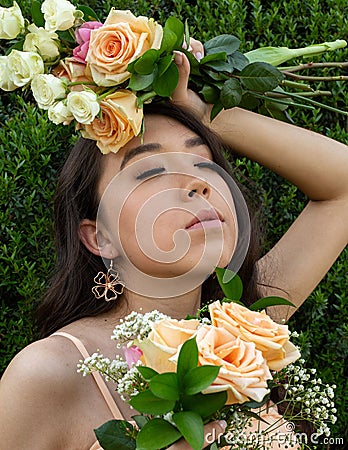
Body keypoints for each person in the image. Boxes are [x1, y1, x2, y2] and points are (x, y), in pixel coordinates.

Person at [0, 41, 347, 450]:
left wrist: (204, 113)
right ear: (100, 237)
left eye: (204, 163)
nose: (199, 183)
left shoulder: (251, 328)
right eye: (150, 172)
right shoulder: (49, 373)